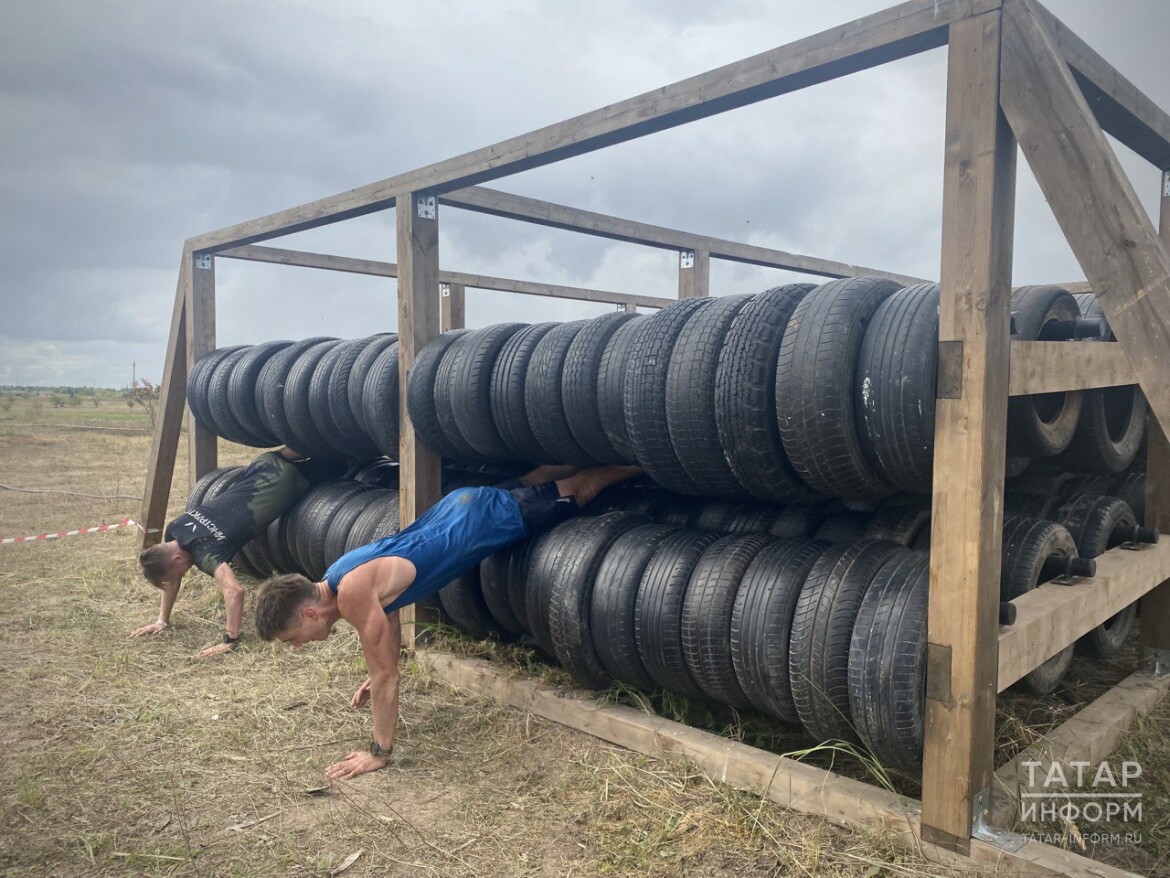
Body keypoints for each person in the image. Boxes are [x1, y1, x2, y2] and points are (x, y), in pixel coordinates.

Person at [253, 463, 643, 779]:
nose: (298, 645)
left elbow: (389, 676)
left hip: (487, 520)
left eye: (293, 638)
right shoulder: (338, 576)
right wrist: (378, 670)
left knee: (579, 488)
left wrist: (379, 752)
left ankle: (639, 468)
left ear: (308, 613)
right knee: (538, 479)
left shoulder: (352, 597)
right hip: (460, 507)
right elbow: (387, 621)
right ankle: (610, 459)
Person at [133, 447, 327, 657]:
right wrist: (162, 619)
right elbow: (170, 581)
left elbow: (235, 591)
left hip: (288, 480)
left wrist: (230, 640)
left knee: (349, 462)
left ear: (176, 558)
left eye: (179, 573)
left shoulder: (204, 552)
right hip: (265, 462)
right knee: (321, 441)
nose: (182, 576)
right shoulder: (175, 528)